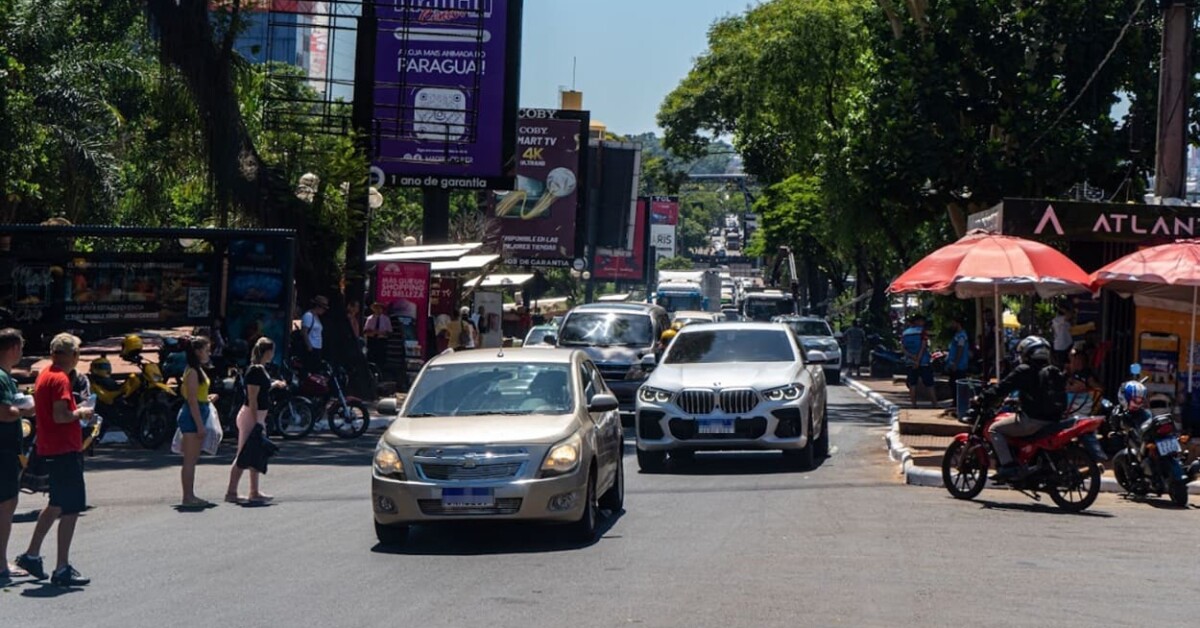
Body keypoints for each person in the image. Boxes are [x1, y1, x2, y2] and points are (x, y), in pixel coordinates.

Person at [14, 333, 93, 586]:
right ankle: (62, 567)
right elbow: (61, 415)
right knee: (71, 508)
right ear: (74, 355)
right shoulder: (60, 379)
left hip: (51, 448)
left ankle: (31, 554)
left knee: (56, 504)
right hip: (64, 450)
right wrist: (81, 412)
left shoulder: (45, 374)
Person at [978, 336, 1067, 480]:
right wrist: (1017, 400)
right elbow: (1040, 394)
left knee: (994, 429)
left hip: (1032, 421)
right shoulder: (1053, 371)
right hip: (1054, 420)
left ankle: (1008, 466)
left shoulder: (1024, 370)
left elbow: (1002, 388)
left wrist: (982, 397)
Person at [226, 337, 284, 504]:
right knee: (243, 454)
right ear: (267, 352)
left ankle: (254, 491)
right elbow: (252, 398)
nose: (273, 354)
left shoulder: (261, 369)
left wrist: (275, 384)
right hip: (250, 416)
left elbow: (263, 388)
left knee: (256, 453)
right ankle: (231, 492)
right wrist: (256, 423)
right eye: (271, 351)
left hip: (258, 416)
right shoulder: (254, 370)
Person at [1, 329, 36, 582]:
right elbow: (4, 412)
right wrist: (24, 409)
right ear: (13, 348)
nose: (22, 353)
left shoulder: (6, 378)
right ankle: (1, 564)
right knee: (6, 504)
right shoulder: (2, 377)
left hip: (6, 450)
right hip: (3, 451)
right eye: (21, 348)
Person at [178, 336, 217, 509]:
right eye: (206, 350)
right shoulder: (193, 372)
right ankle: (188, 496)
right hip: (193, 415)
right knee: (190, 460)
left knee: (192, 459)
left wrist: (208, 399)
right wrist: (200, 425)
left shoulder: (197, 370)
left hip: (200, 409)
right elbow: (192, 400)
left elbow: (197, 396)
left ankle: (190, 495)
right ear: (197, 352)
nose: (209, 353)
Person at [901, 315, 938, 408]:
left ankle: (913, 405)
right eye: (922, 321)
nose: (923, 323)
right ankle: (935, 404)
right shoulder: (922, 332)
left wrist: (911, 357)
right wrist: (918, 360)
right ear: (917, 322)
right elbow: (923, 346)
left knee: (912, 384)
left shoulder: (905, 333)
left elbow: (903, 348)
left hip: (910, 362)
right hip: (923, 362)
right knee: (929, 384)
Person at [300, 296, 328, 372]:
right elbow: (304, 332)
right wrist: (309, 346)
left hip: (317, 347)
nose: (324, 311)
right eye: (323, 308)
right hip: (311, 348)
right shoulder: (309, 315)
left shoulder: (317, 317)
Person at [946, 318, 970, 389]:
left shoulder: (961, 336)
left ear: (958, 324)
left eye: (953, 323)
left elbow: (960, 349)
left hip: (959, 366)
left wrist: (955, 364)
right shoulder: (957, 335)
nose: (952, 325)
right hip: (955, 365)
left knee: (957, 387)